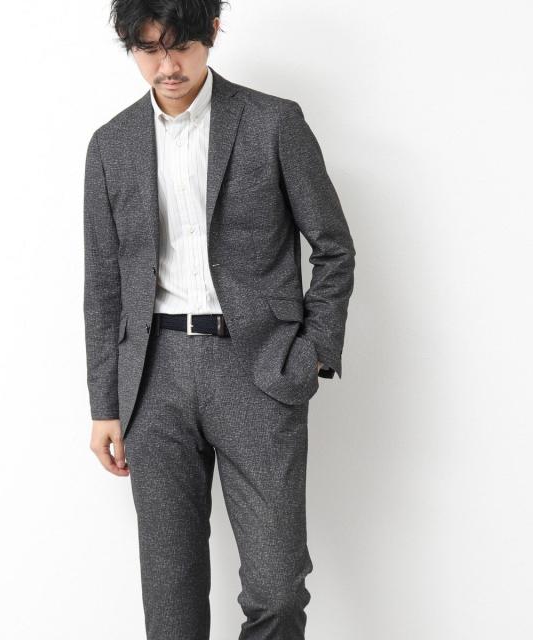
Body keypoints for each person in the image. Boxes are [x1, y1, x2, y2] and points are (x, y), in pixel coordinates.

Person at [83, 1, 355, 638]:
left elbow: (334, 247)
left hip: (257, 369)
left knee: (276, 589)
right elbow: (102, 286)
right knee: (171, 607)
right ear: (131, 47)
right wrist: (105, 405)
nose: (167, 66)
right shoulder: (110, 145)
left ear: (211, 33)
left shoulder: (273, 122)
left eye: (180, 45)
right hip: (152, 380)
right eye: (149, 49)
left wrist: (312, 351)